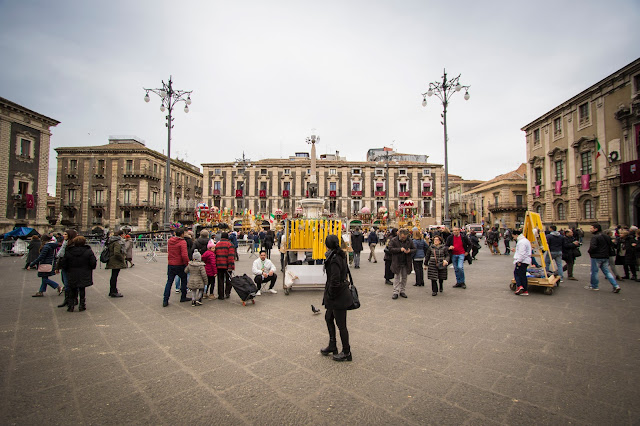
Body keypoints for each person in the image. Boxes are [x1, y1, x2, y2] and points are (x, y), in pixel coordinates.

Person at [320, 234, 353, 362]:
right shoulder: (338, 255)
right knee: (328, 318)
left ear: (328, 245)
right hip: (335, 295)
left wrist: (332, 296)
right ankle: (332, 345)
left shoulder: (334, 259)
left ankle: (346, 352)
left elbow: (334, 281)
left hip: (338, 296)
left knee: (341, 325)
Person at [58, 235, 96, 311]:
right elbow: (93, 262)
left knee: (72, 288)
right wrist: (90, 268)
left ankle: (71, 305)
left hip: (72, 272)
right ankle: (82, 305)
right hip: (84, 272)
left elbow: (64, 262)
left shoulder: (69, 251)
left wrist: (66, 268)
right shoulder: (88, 251)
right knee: (82, 289)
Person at [587, 223, 620, 293]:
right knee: (607, 272)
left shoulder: (595, 237)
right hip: (605, 256)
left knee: (594, 272)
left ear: (596, 229)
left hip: (596, 257)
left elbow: (593, 247)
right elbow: (612, 245)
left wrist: (590, 252)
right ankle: (616, 285)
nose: (590, 230)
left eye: (591, 228)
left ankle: (594, 286)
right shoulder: (606, 236)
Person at [162, 228, 190, 307]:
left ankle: (165, 299)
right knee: (184, 280)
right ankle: (183, 296)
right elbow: (184, 255)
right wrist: (187, 263)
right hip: (180, 264)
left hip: (171, 264)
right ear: (182, 234)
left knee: (169, 282)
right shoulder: (182, 242)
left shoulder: (170, 241)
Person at [388, 228, 416, 299]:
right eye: (402, 237)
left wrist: (410, 251)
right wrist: (399, 249)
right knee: (397, 277)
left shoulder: (409, 241)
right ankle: (395, 292)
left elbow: (415, 249)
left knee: (404, 277)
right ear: (399, 235)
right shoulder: (394, 240)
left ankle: (402, 291)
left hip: (406, 261)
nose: (403, 238)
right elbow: (390, 249)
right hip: (397, 261)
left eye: (405, 237)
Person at [55, 229, 78, 308]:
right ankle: (68, 299)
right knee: (66, 283)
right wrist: (57, 267)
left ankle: (71, 299)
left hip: (71, 267)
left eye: (65, 234)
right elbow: (60, 257)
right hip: (64, 266)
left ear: (70, 235)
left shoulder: (74, 244)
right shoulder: (64, 244)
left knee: (70, 284)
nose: (63, 236)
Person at [215, 232, 236, 299]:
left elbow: (215, 255)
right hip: (227, 265)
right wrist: (231, 266)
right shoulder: (230, 244)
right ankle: (227, 293)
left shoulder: (217, 245)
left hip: (219, 264)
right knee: (228, 280)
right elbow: (230, 256)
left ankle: (220, 295)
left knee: (220, 280)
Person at [105, 230, 126, 298]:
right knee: (114, 276)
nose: (123, 236)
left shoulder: (111, 240)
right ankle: (113, 291)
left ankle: (112, 290)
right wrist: (122, 259)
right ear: (120, 235)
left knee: (113, 276)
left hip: (112, 260)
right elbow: (117, 252)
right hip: (115, 261)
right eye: (123, 234)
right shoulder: (117, 242)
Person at [512, 229, 532, 296]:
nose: (513, 238)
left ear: (516, 235)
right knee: (523, 275)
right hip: (525, 260)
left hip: (522, 261)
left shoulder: (521, 242)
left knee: (517, 273)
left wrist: (519, 261)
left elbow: (522, 253)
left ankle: (520, 286)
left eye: (513, 236)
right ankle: (525, 290)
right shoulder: (525, 241)